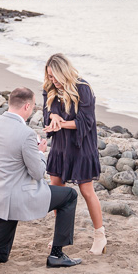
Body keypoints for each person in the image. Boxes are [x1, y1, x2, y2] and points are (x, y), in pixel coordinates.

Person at [0, 87, 82, 274]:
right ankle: (57, 255)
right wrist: (40, 153)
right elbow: (37, 173)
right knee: (69, 196)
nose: (33, 109)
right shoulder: (26, 134)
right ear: (27, 106)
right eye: (33, 106)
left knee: (0, 253)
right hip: (15, 200)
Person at [43, 53, 106, 255]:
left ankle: (100, 236)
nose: (53, 81)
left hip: (81, 147)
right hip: (60, 147)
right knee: (57, 190)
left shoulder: (83, 89)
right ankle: (59, 236)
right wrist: (52, 116)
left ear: (64, 72)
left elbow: (86, 122)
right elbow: (46, 113)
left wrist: (60, 123)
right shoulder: (50, 88)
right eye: (49, 76)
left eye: (55, 76)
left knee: (87, 191)